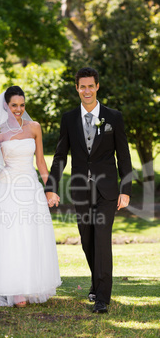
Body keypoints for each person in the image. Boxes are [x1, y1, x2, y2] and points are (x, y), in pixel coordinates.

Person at [45, 67, 132, 314]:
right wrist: (51, 187)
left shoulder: (113, 117)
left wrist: (126, 188)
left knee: (102, 239)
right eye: (82, 86)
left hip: (107, 191)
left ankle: (102, 297)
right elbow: (60, 156)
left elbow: (123, 156)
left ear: (97, 87)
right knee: (87, 240)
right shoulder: (69, 119)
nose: (86, 90)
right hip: (81, 190)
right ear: (77, 89)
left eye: (90, 86)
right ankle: (96, 282)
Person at [0, 86, 61, 307]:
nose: (19, 109)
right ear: (6, 105)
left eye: (22, 105)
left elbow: (41, 162)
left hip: (30, 187)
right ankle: (13, 290)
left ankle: (29, 284)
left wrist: (50, 189)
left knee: (32, 236)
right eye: (14, 105)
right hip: (8, 188)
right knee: (12, 237)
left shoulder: (35, 128)